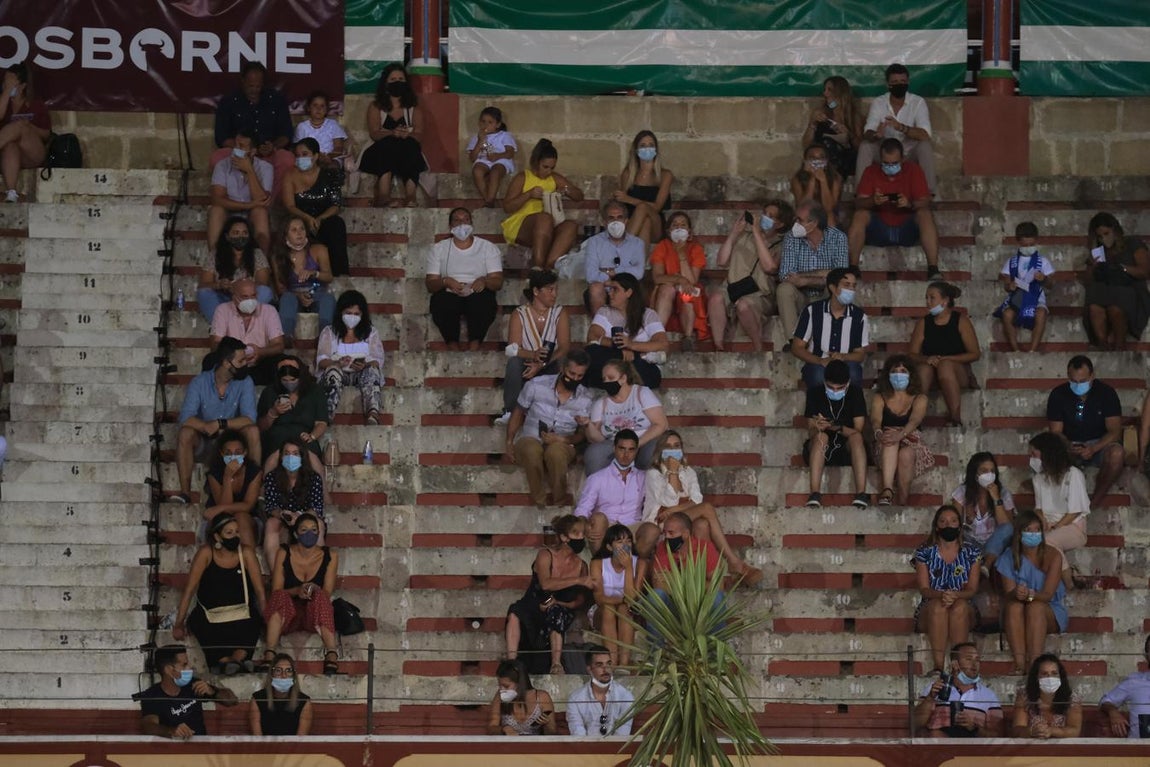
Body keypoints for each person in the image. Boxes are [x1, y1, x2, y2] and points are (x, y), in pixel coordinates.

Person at [643, 431, 762, 585]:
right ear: (660, 450)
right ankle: (733, 563)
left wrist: (674, 510)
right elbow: (669, 500)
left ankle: (700, 577)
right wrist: (672, 472)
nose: (673, 450)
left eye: (676, 446)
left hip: (683, 521)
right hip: (663, 524)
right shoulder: (653, 474)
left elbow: (696, 499)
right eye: (668, 447)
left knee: (702, 524)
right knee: (706, 509)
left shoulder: (688, 472)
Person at [171, 514, 266, 675]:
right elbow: (190, 589)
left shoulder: (246, 553)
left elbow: (260, 591)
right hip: (211, 616)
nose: (235, 536)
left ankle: (233, 661)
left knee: (254, 620)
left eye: (237, 532)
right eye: (229, 533)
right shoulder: (206, 553)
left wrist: (267, 617)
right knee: (197, 621)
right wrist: (179, 623)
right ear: (217, 536)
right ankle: (230, 662)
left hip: (241, 614)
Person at [173, 336, 259, 505]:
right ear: (227, 363)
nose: (245, 364)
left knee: (253, 431)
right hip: (206, 441)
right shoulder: (199, 382)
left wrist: (220, 424)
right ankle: (185, 493)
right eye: (241, 360)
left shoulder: (245, 382)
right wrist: (205, 426)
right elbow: (185, 418)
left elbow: (250, 418)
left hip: (232, 442)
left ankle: (255, 486)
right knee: (185, 433)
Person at [504, 515, 593, 675]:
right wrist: (578, 580)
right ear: (564, 537)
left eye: (582, 533)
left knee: (556, 613)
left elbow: (579, 601)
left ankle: (556, 664)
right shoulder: (545, 555)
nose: (581, 537)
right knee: (515, 612)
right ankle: (512, 662)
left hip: (561, 608)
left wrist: (559, 602)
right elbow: (546, 584)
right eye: (576, 533)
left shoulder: (582, 566)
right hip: (534, 603)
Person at [505, 352, 595, 507]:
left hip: (563, 442)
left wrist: (563, 440)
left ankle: (559, 500)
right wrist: (509, 440)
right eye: (571, 373)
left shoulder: (586, 397)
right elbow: (518, 412)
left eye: (580, 376)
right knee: (532, 450)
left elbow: (581, 435)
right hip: (531, 437)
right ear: (562, 368)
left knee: (556, 453)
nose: (574, 379)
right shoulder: (536, 385)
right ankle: (540, 501)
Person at [848, 138, 940, 277]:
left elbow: (926, 202)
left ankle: (933, 269)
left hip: (906, 228)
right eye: (886, 163)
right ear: (880, 160)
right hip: (879, 228)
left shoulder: (913, 170)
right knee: (860, 214)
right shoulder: (870, 171)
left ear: (902, 159)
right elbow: (858, 203)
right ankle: (853, 268)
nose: (890, 166)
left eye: (895, 163)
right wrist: (873, 201)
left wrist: (909, 204)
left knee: (924, 214)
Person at [708, 200, 791, 352]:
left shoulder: (782, 245)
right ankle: (718, 346)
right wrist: (734, 233)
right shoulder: (743, 236)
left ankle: (758, 347)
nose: (765, 217)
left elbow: (770, 266)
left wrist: (756, 233)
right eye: (764, 214)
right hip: (732, 288)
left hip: (760, 294)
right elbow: (721, 261)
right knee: (715, 299)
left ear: (779, 224)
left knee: (743, 305)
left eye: (771, 216)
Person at [263, 513, 340, 675]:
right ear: (296, 533)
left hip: (312, 614)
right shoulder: (284, 552)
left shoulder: (330, 555)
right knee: (279, 596)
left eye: (314, 530)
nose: (309, 534)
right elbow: (277, 588)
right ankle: (269, 652)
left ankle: (332, 653)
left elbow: (327, 591)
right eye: (304, 530)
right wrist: (297, 591)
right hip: (288, 613)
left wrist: (313, 589)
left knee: (321, 597)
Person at [1047, 354, 1125, 505]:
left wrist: (1094, 448)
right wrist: (1069, 446)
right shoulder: (1058, 395)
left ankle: (1095, 500)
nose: (1078, 385)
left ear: (1092, 376)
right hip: (1070, 445)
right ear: (1068, 376)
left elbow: (1115, 431)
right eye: (1073, 381)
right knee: (1047, 454)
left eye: (1082, 381)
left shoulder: (1106, 393)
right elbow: (1056, 432)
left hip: (1100, 444)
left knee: (1117, 453)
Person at [913, 506, 982, 673]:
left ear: (959, 525)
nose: (948, 525)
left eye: (953, 521)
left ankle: (957, 666)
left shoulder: (972, 551)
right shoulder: (924, 551)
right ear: (936, 526)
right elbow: (924, 589)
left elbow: (972, 589)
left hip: (965, 604)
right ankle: (938, 666)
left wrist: (955, 595)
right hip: (931, 603)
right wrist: (943, 595)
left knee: (959, 607)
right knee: (938, 607)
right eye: (943, 521)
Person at [997, 512, 1068, 674]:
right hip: (1019, 607)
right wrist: (1016, 592)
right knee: (1014, 606)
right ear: (1019, 533)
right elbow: (1008, 593)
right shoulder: (1009, 556)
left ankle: (1034, 665)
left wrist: (1030, 595)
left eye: (1037, 530)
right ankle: (1020, 664)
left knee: (1035, 607)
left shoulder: (1053, 555)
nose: (1033, 534)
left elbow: (1048, 594)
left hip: (1049, 608)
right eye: (1029, 530)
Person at [497, 269, 570, 425]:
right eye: (550, 289)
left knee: (561, 363)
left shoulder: (559, 312)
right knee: (514, 363)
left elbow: (564, 346)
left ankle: (556, 413)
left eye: (555, 289)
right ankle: (510, 411)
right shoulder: (520, 313)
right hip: (528, 364)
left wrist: (541, 363)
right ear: (536, 291)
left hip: (550, 363)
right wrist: (533, 355)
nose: (554, 294)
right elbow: (512, 349)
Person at [211, 61, 294, 198]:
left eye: (258, 86)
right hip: (239, 153)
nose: (254, 90)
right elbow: (222, 137)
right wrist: (242, 148)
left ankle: (268, 203)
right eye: (251, 86)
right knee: (217, 157)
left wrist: (273, 146)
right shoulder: (229, 101)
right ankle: (232, 202)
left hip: (267, 154)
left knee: (287, 159)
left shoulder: (276, 100)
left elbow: (286, 134)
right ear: (242, 81)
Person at [426, 207, 504, 350]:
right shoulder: (439, 249)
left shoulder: (487, 247)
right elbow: (430, 284)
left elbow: (497, 281)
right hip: (449, 291)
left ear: (471, 223)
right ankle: (453, 346)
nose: (462, 224)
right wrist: (445, 281)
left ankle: (474, 345)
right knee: (442, 302)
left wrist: (484, 281)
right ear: (450, 226)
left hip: (477, 290)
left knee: (483, 302)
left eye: (466, 219)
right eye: (457, 220)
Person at [501, 138, 585, 269]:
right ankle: (538, 266)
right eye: (545, 167)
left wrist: (566, 190)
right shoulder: (523, 177)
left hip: (549, 224)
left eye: (552, 168)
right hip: (522, 225)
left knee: (571, 226)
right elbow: (507, 207)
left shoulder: (554, 178)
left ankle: (549, 266)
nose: (549, 171)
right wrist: (528, 195)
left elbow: (579, 196)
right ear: (536, 162)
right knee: (544, 218)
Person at [776, 199, 848, 351]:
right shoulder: (791, 237)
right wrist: (823, 275)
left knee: (836, 289)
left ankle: (831, 342)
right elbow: (785, 275)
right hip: (801, 297)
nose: (795, 223)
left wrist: (803, 279)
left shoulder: (838, 238)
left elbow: (840, 277)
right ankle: (795, 342)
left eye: (800, 220)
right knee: (784, 289)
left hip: (825, 296)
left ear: (813, 223)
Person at [576, 430, 659, 558]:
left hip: (632, 527)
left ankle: (633, 569)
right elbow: (583, 509)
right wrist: (585, 525)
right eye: (622, 449)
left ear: (636, 451)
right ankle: (601, 566)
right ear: (614, 448)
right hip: (607, 527)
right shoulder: (597, 478)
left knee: (652, 530)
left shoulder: (644, 477)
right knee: (597, 519)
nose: (626, 454)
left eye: (631, 450)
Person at [856, 63, 937, 194]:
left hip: (908, 154)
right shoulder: (879, 102)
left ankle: (929, 194)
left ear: (908, 82)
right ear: (888, 84)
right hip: (885, 154)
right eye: (895, 82)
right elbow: (868, 132)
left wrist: (901, 127)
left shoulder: (918, 102)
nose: (899, 85)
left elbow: (925, 135)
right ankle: (861, 195)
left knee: (925, 146)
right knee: (865, 146)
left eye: (903, 81)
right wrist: (876, 135)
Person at [908, 282, 981, 426]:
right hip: (932, 371)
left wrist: (948, 359)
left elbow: (975, 354)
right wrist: (927, 359)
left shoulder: (960, 321)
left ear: (945, 300)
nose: (928, 302)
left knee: (945, 365)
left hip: (957, 372)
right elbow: (912, 354)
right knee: (923, 369)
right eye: (926, 298)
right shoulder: (924, 323)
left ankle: (955, 417)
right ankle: (915, 419)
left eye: (932, 298)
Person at [584, 273, 670, 390]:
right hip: (615, 359)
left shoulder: (648, 314)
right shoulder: (604, 311)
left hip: (640, 366)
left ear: (628, 293)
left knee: (648, 373)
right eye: (609, 289)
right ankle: (628, 369)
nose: (610, 293)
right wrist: (621, 349)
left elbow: (663, 344)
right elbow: (593, 336)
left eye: (615, 289)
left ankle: (620, 377)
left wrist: (631, 345)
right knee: (590, 352)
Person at [803, 359, 869, 509]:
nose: (835, 391)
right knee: (821, 437)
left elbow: (858, 429)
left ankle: (861, 493)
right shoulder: (814, 393)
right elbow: (811, 429)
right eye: (831, 387)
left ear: (848, 383)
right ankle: (815, 493)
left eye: (840, 388)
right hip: (820, 447)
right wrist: (818, 426)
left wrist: (834, 427)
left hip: (846, 445)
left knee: (857, 438)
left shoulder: (855, 393)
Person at [358, 64, 427, 207]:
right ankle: (383, 194)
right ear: (385, 83)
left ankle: (410, 196)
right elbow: (375, 134)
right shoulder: (376, 106)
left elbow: (419, 135)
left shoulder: (414, 108)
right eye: (393, 79)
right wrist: (392, 132)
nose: (397, 82)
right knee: (388, 142)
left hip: (405, 152)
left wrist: (406, 134)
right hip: (378, 153)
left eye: (401, 79)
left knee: (411, 145)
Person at [584, 360, 668, 475]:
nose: (606, 381)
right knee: (594, 454)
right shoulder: (600, 404)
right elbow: (597, 439)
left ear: (623, 378)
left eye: (611, 377)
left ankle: (647, 489)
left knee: (649, 455)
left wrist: (637, 444)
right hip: (615, 445)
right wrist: (587, 424)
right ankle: (599, 490)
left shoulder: (642, 393)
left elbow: (661, 424)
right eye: (604, 379)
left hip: (644, 440)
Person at [137, 644, 238, 739]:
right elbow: (149, 726)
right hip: (171, 751)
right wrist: (171, 731)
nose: (189, 668)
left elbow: (232, 701)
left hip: (200, 748)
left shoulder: (194, 684)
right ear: (169, 670)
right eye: (184, 665)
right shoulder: (152, 695)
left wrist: (212, 691)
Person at [791, 266, 869, 388]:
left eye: (853, 286)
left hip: (845, 364)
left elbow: (860, 354)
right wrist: (820, 361)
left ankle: (850, 407)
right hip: (818, 364)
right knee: (817, 376)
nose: (851, 290)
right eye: (846, 285)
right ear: (833, 288)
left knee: (854, 373)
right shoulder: (812, 311)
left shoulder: (859, 316)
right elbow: (797, 348)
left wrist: (844, 357)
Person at [871, 354, 933, 507]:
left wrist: (901, 434)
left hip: (911, 438)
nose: (899, 374)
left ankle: (903, 501)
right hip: (886, 440)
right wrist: (879, 433)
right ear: (888, 375)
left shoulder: (920, 398)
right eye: (895, 371)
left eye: (903, 371)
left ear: (911, 375)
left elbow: (915, 420)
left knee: (906, 454)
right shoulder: (880, 397)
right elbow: (875, 420)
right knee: (890, 440)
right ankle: (887, 491)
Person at [315, 289, 385, 424]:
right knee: (333, 371)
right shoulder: (329, 332)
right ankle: (327, 415)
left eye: (356, 314)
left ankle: (373, 413)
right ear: (340, 312)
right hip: (339, 372)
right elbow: (322, 360)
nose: (352, 317)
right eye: (348, 313)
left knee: (372, 371)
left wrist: (365, 365)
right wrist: (338, 363)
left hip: (361, 374)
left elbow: (377, 360)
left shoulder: (371, 332)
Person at [1082, 211, 1150, 350]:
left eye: (1106, 234)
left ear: (1115, 230)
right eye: (1100, 236)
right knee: (1094, 305)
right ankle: (1103, 345)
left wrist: (1122, 269)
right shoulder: (1099, 251)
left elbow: (1144, 271)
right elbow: (1088, 281)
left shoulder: (1132, 244)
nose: (1104, 239)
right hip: (1105, 290)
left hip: (1130, 290)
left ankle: (1119, 346)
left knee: (1115, 308)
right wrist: (1092, 266)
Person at [282, 137, 348, 276]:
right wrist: (307, 218)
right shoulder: (289, 175)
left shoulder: (329, 174)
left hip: (323, 219)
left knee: (336, 224)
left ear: (316, 155)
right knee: (294, 227)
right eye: (298, 155)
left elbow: (335, 204)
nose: (301, 158)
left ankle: (339, 274)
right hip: (300, 218)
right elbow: (289, 205)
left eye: (305, 154)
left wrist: (319, 219)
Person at [256, 355, 329, 474]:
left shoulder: (315, 391)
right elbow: (261, 427)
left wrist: (312, 436)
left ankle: (321, 490)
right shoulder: (270, 392)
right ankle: (266, 488)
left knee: (311, 456)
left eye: (293, 380)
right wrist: (273, 413)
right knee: (275, 454)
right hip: (277, 437)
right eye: (285, 380)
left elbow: (321, 422)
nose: (289, 383)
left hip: (303, 438)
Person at [914, 642, 1003, 738]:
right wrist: (930, 698)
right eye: (969, 659)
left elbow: (998, 736)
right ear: (955, 663)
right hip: (938, 747)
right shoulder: (935, 687)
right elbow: (915, 724)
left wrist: (974, 728)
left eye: (977, 660)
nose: (974, 664)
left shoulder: (988, 695)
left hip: (972, 748)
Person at [206, 131, 273, 258]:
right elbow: (217, 200)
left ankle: (261, 264)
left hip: (253, 212)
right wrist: (248, 205)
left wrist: (249, 170)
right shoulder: (222, 165)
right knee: (216, 211)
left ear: (252, 151)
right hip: (229, 210)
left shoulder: (266, 168)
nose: (236, 149)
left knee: (261, 212)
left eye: (241, 146)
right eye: (235, 145)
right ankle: (214, 262)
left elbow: (262, 200)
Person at [197, 215, 275, 323]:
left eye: (244, 233)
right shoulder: (216, 254)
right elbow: (203, 284)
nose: (241, 236)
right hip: (223, 299)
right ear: (227, 236)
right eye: (236, 233)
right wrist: (219, 285)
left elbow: (263, 282)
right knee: (203, 293)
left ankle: (236, 324)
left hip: (247, 299)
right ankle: (221, 325)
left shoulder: (257, 254)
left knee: (265, 291)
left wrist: (240, 286)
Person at [208, 279, 286, 385]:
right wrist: (235, 356)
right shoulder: (223, 310)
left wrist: (260, 352)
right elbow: (215, 344)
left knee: (281, 361)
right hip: (232, 364)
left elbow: (279, 345)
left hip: (260, 363)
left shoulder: (269, 311)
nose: (250, 300)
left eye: (253, 296)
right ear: (234, 298)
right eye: (245, 297)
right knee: (210, 360)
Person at [271, 216, 336, 343]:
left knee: (328, 299)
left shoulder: (319, 250)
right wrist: (299, 295)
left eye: (302, 229)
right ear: (285, 235)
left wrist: (314, 273)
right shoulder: (277, 256)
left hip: (317, 292)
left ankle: (325, 338)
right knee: (287, 299)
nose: (299, 233)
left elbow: (329, 277)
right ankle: (286, 338)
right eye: (294, 230)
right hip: (293, 294)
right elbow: (280, 288)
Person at [1026, 431, 1090, 557]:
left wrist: (1055, 528)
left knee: (1048, 542)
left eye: (1034, 454)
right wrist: (1043, 522)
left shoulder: (1073, 474)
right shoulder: (1038, 478)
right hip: (1048, 525)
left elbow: (1074, 512)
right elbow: (1039, 508)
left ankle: (1062, 576)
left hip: (1072, 527)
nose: (1031, 459)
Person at [262, 440, 326, 566]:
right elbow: (271, 506)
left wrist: (300, 517)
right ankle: (276, 574)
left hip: (306, 517)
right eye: (287, 453)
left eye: (295, 454)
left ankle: (318, 570)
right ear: (281, 457)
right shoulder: (271, 477)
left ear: (302, 457)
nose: (290, 457)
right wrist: (282, 514)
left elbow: (316, 506)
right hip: (283, 518)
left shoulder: (313, 478)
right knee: (271, 523)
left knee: (317, 523)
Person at [650, 211, 708, 348]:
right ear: (669, 231)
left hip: (688, 290)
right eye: (675, 225)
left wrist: (681, 255)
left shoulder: (695, 248)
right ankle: (658, 336)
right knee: (666, 289)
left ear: (689, 231)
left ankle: (688, 338)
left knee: (687, 295)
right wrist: (679, 280)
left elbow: (691, 281)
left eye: (683, 225)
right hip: (668, 289)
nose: (679, 228)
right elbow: (657, 278)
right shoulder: (662, 246)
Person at [589, 528, 644, 668]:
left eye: (628, 541)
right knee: (609, 609)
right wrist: (622, 600)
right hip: (602, 610)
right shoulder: (598, 564)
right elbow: (599, 598)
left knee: (625, 609)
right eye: (619, 541)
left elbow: (632, 599)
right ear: (609, 547)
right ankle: (611, 664)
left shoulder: (640, 563)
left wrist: (629, 567)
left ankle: (624, 665)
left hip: (629, 610)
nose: (625, 545)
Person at [995, 222, 1053, 353]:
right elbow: (1006, 284)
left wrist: (1044, 279)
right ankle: (1015, 350)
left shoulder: (1042, 261)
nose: (1028, 247)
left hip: (1036, 298)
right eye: (1025, 245)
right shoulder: (1012, 261)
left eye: (1031, 245)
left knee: (1041, 313)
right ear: (1018, 242)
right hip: (1018, 298)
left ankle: (1033, 350)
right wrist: (1010, 286)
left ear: (1036, 240)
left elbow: (1051, 284)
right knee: (1007, 314)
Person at [949, 452, 1015, 565]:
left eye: (992, 471)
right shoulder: (962, 492)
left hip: (994, 545)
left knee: (1008, 529)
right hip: (969, 541)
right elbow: (955, 524)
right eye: (984, 471)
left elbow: (1006, 527)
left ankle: (986, 566)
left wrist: (996, 499)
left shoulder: (1004, 494)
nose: (989, 475)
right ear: (975, 474)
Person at [583, 200, 647, 316]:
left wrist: (613, 273)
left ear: (626, 221)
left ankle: (630, 330)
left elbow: (639, 272)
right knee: (595, 288)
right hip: (604, 288)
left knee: (628, 290)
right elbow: (590, 274)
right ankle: (601, 329)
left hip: (627, 289)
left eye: (619, 217)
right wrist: (612, 281)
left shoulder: (637, 243)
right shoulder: (594, 242)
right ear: (605, 222)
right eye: (611, 218)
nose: (616, 222)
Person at [201, 430, 262, 548]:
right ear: (222, 454)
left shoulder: (254, 471)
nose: (233, 457)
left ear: (245, 453)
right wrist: (227, 477)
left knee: (241, 517)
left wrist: (220, 508)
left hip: (249, 518)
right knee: (228, 523)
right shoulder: (215, 473)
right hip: (219, 518)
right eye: (228, 453)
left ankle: (248, 562)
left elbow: (248, 505)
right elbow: (225, 511)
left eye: (238, 452)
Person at [613, 130, 673, 246]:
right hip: (632, 222)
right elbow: (621, 204)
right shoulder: (628, 174)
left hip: (657, 224)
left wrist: (629, 199)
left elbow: (656, 207)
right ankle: (639, 263)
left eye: (651, 145)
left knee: (643, 208)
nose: (647, 149)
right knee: (645, 222)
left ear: (656, 149)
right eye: (643, 145)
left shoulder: (665, 175)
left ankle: (621, 249)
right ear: (636, 150)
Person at [0, 62, 50, 203]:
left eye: (10, 82)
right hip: (10, 155)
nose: (6, 84)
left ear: (22, 86)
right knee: (10, 146)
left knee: (20, 126)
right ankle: (11, 193)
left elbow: (46, 134)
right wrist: (6, 92)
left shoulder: (36, 105)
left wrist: (29, 127)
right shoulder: (3, 102)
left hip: (33, 152)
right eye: (5, 81)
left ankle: (21, 128)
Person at [800, 75, 863, 180]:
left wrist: (849, 134)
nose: (825, 94)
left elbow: (861, 147)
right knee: (826, 144)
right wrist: (813, 123)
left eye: (830, 90)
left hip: (845, 160)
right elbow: (806, 145)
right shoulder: (820, 113)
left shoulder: (854, 117)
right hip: (823, 159)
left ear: (840, 93)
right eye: (825, 90)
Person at [566, 644, 635, 737]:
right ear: (589, 669)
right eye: (599, 665)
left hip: (617, 749)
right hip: (586, 750)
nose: (605, 669)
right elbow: (578, 737)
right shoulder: (575, 699)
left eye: (609, 664)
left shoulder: (626, 696)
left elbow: (622, 736)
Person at [650, 511, 722, 594]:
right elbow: (658, 584)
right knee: (657, 594)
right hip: (673, 601)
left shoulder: (704, 547)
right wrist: (698, 584)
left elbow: (718, 585)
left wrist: (674, 579)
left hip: (701, 602)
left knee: (717, 596)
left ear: (686, 534)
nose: (666, 537)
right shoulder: (662, 546)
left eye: (671, 533)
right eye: (665, 533)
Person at [1012, 654, 1082, 738]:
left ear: (1060, 676)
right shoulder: (1024, 696)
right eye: (1044, 673)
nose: (1049, 677)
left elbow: (1074, 731)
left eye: (1054, 673)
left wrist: (1051, 731)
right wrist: (1031, 731)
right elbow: (1017, 730)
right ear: (1036, 677)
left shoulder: (1072, 698)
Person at [487, 658, 556, 735]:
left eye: (506, 686)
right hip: (509, 745)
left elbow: (552, 732)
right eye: (499, 685)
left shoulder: (542, 697)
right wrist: (504, 729)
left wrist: (547, 724)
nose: (501, 689)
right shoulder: (499, 696)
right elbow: (491, 728)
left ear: (520, 683)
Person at [249, 652, 313, 735]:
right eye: (278, 670)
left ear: (293, 675)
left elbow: (300, 740)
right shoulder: (258, 699)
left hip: (293, 747)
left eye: (288, 671)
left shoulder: (304, 702)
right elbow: (257, 737)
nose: (284, 675)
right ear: (272, 674)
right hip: (264, 747)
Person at [1099, 634, 1150, 739]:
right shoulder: (1134, 681)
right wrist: (1113, 712)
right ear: (1146, 655)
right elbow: (1105, 701)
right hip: (1137, 750)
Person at [466, 105, 518, 207]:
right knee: (477, 171)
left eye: (490, 122)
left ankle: (490, 199)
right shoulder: (476, 138)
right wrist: (480, 141)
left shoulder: (504, 135)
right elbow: (472, 158)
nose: (485, 125)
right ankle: (488, 199)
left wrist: (497, 156)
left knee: (495, 171)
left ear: (498, 124)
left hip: (501, 160)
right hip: (484, 161)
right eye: (483, 121)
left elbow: (510, 152)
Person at [292, 90, 348, 169]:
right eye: (315, 105)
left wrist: (328, 157)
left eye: (322, 106)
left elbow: (338, 147)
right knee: (303, 166)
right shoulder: (302, 127)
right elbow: (297, 149)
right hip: (308, 159)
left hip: (330, 158)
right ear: (308, 108)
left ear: (326, 109)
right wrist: (314, 158)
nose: (318, 109)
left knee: (333, 167)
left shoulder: (333, 124)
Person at [791, 144, 843, 227]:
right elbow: (803, 205)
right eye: (812, 158)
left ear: (826, 161)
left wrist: (823, 181)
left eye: (821, 157)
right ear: (805, 161)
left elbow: (829, 207)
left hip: (828, 215)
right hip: (807, 213)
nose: (817, 160)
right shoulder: (797, 178)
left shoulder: (835, 178)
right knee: (805, 216)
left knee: (829, 216)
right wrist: (812, 179)